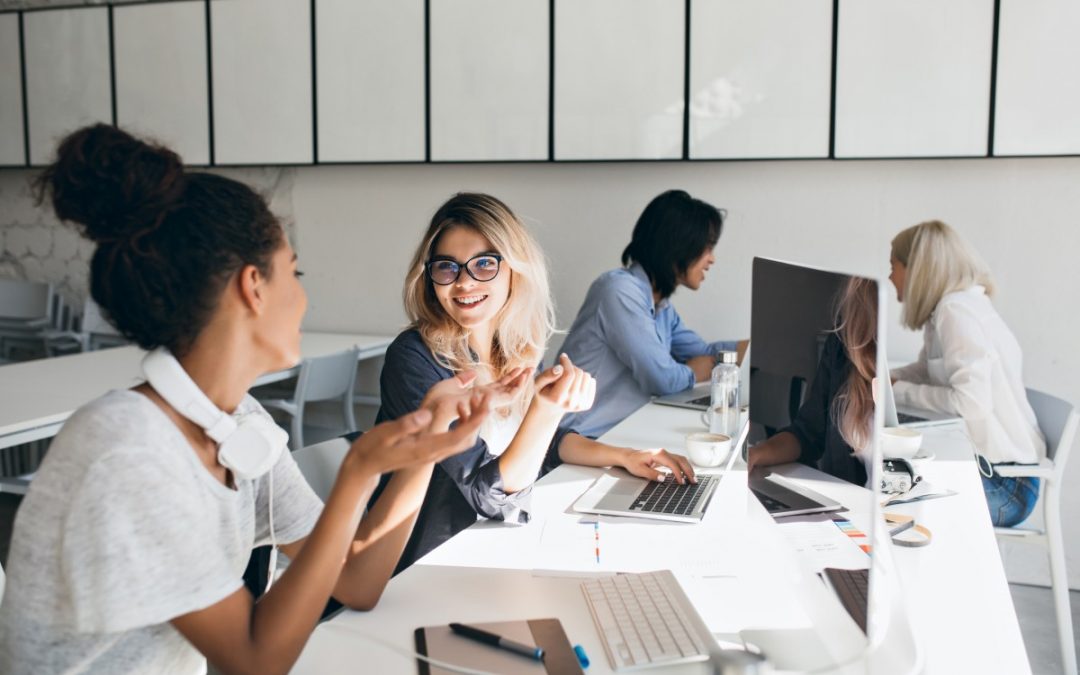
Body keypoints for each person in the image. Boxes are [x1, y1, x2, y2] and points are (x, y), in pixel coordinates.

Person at [0, 125, 491, 674]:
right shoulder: (128, 454)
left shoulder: (238, 422)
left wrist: (424, 450)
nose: (303, 296)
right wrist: (357, 470)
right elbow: (254, 661)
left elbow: (357, 583)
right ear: (253, 286)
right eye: (294, 271)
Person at [373, 192, 697, 570]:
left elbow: (545, 443)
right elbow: (489, 495)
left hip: (491, 550)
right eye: (447, 267)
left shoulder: (514, 348)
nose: (463, 283)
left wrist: (623, 455)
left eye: (484, 264)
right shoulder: (414, 359)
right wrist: (546, 409)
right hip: (426, 563)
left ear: (514, 268)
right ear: (429, 277)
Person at [889, 220, 1045, 527]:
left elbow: (971, 403)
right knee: (888, 474)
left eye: (893, 265)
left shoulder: (956, 312)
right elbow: (926, 371)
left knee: (886, 488)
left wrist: (897, 390)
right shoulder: (950, 310)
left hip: (1005, 486)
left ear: (916, 269)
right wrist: (884, 379)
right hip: (996, 474)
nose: (890, 276)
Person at [558, 190, 747, 439]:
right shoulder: (619, 291)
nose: (711, 259)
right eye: (707, 247)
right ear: (679, 245)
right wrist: (695, 371)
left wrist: (755, 347)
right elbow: (662, 379)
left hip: (620, 434)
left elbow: (702, 353)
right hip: (581, 438)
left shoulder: (660, 305)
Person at [747, 278, 877, 486]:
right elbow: (808, 433)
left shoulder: (911, 369)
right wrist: (754, 455)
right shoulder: (842, 343)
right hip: (846, 506)